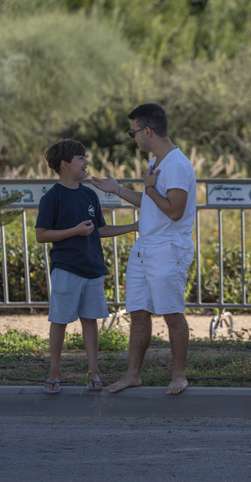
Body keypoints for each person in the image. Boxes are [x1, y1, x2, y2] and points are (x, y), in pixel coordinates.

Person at [90, 103, 196, 395]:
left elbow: (174, 211)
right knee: (137, 312)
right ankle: (133, 375)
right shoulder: (156, 162)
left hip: (168, 250)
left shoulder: (174, 165)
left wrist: (149, 188)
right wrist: (118, 190)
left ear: (148, 131)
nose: (133, 137)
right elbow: (153, 202)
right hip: (145, 247)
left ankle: (178, 376)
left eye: (133, 132)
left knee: (172, 313)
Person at [36, 140, 137, 394]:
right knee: (59, 321)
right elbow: (42, 235)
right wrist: (75, 231)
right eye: (81, 158)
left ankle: (94, 371)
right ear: (64, 164)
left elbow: (99, 229)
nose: (86, 162)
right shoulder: (52, 197)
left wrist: (133, 227)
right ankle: (55, 372)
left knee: (90, 320)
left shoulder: (89, 194)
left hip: (93, 269)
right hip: (66, 268)